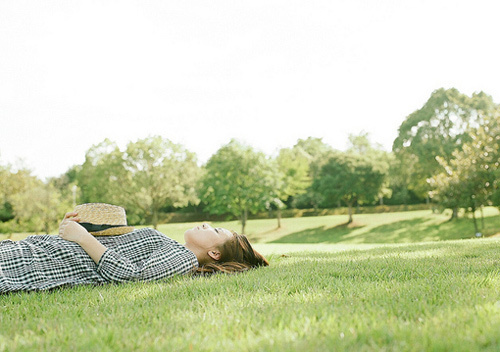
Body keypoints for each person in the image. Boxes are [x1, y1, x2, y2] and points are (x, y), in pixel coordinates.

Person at [0, 203, 268, 293]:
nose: (207, 223)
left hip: (44, 264)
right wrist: (78, 228)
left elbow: (132, 275)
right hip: (42, 252)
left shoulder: (183, 259)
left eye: (216, 231)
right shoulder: (172, 246)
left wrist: (82, 237)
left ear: (215, 253)